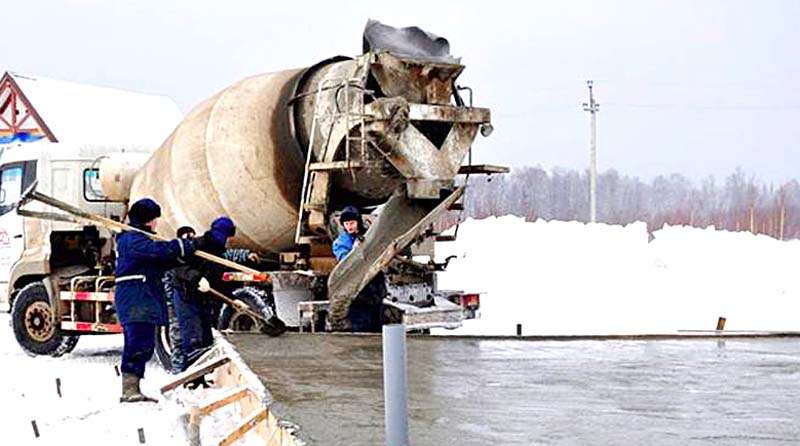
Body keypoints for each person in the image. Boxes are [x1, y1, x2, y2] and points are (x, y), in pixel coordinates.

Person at [115, 198, 195, 403]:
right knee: (137, 343)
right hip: (136, 299)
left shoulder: (138, 240)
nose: (157, 223)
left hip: (142, 298)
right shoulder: (133, 240)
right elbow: (158, 251)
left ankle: (133, 388)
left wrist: (184, 253)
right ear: (148, 220)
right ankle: (129, 390)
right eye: (155, 219)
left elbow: (159, 260)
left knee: (144, 343)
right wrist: (182, 245)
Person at [166, 217, 257, 373]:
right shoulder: (195, 245)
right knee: (188, 338)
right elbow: (177, 266)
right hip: (185, 296)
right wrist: (196, 278)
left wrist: (233, 300)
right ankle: (183, 376)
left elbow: (216, 284)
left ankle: (201, 377)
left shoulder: (218, 254)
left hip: (202, 300)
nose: (225, 240)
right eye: (225, 236)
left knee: (205, 339)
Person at [332, 205, 386, 333]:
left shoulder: (369, 235)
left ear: (358, 222)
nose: (349, 226)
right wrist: (356, 250)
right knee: (361, 326)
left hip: (375, 289)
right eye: (346, 223)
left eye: (352, 223)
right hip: (357, 291)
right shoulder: (340, 243)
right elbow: (344, 261)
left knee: (377, 324)